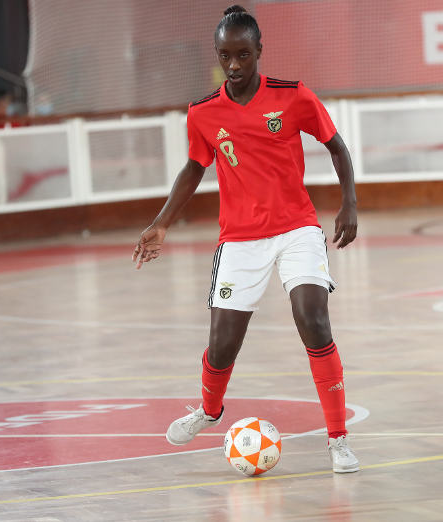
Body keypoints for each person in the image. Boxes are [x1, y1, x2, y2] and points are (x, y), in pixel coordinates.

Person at [133, 5, 360, 473]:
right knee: (222, 344)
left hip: (297, 228)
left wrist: (350, 202)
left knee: (312, 319)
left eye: (243, 54)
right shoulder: (202, 113)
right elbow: (194, 168)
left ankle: (338, 440)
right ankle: (209, 410)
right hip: (239, 240)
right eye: (225, 55)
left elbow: (336, 146)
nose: (234, 65)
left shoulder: (293, 96)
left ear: (259, 50)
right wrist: (161, 223)